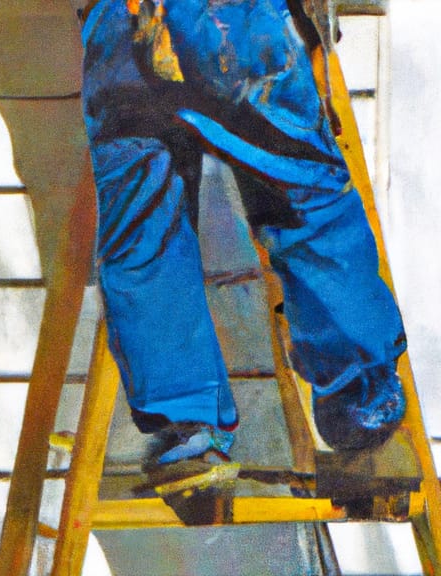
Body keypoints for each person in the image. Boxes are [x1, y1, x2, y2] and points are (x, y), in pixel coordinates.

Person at [78, 0, 407, 468]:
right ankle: (359, 388)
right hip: (228, 23)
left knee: (144, 232)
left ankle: (188, 426)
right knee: (304, 200)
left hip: (118, 30)